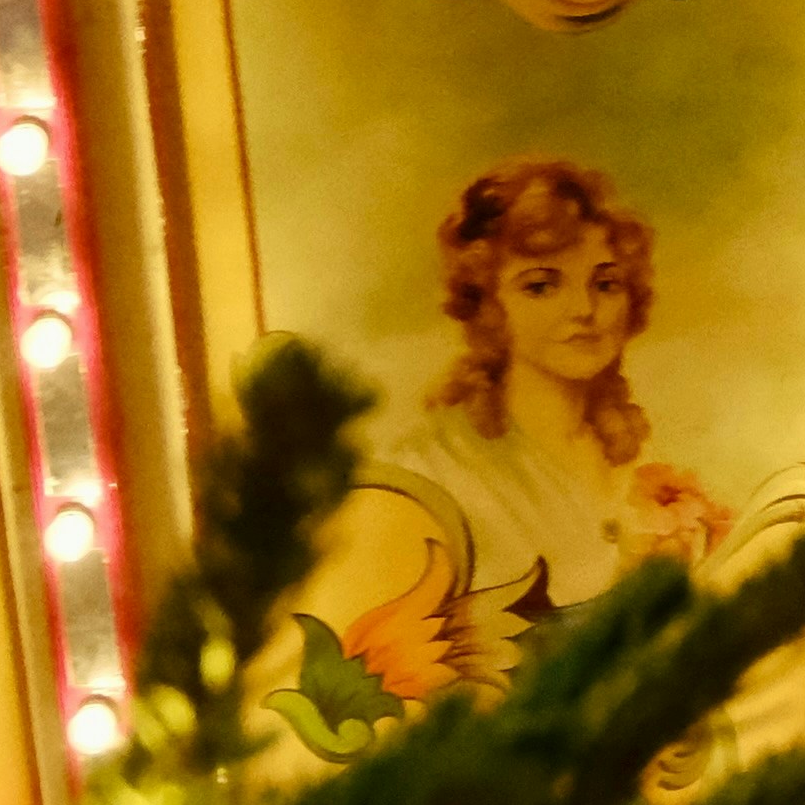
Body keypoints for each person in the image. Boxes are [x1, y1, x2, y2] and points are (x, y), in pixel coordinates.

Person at [287, 157, 724, 728]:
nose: (585, 311)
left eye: (606, 283)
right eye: (542, 285)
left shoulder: (639, 467)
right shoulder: (430, 479)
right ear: (491, 307)